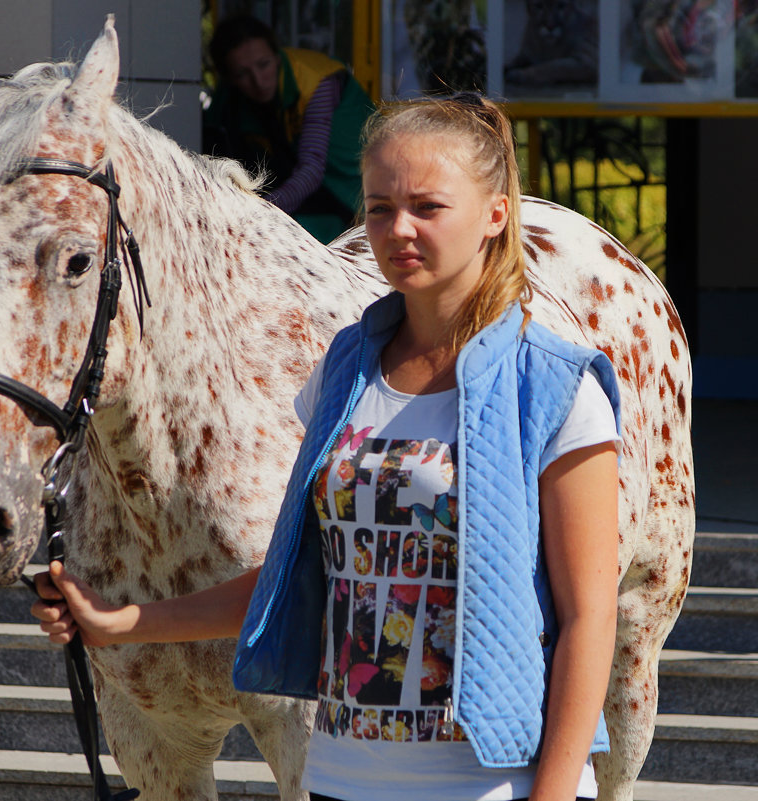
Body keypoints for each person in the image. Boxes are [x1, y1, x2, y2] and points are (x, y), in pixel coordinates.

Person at [32, 92, 621, 801]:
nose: (398, 229)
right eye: (378, 208)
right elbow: (302, 577)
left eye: (427, 207)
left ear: (495, 213)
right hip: (343, 777)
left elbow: (590, 614)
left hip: (493, 783)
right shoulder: (343, 372)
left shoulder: (553, 386)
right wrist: (119, 622)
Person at [202, 15, 374, 244]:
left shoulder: (317, 82)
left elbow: (311, 170)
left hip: (354, 191)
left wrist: (259, 211)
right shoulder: (228, 102)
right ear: (229, 80)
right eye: (243, 74)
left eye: (264, 65)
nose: (259, 81)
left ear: (277, 56)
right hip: (309, 196)